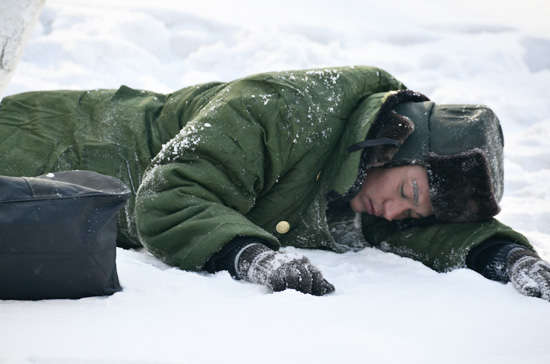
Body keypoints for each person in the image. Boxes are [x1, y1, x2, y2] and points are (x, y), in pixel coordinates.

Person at [1, 66, 549, 300]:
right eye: (407, 193)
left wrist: (507, 257)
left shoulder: (372, 186)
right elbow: (168, 196)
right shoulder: (281, 111)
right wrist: (248, 255)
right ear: (394, 141)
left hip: (67, 205)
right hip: (42, 144)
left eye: (414, 213)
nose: (395, 212)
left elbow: (429, 232)